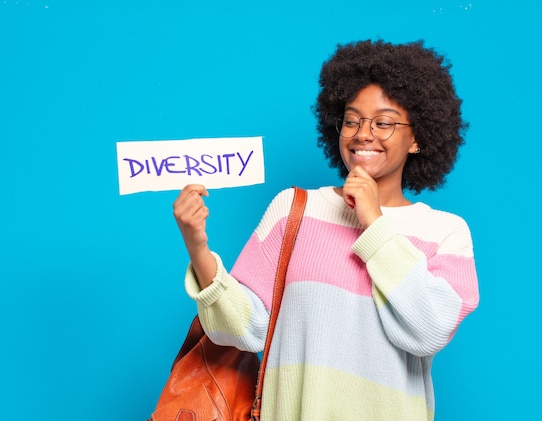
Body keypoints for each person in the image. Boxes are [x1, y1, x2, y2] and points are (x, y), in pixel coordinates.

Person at [173, 39, 479, 420]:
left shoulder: (445, 232)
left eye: (383, 122)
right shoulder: (295, 209)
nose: (363, 133)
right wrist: (197, 246)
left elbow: (427, 332)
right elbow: (242, 330)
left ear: (417, 138)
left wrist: (374, 223)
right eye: (352, 120)